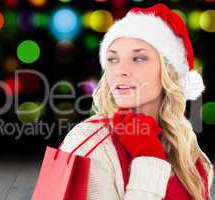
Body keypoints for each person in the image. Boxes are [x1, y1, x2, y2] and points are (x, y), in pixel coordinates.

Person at [60, 3, 214, 200]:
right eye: (113, 59)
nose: (121, 70)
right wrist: (148, 158)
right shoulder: (88, 142)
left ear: (169, 71)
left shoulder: (188, 149)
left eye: (139, 58)